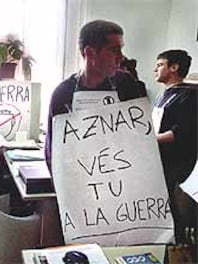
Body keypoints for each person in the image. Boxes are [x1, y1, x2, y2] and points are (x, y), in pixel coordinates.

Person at [44, 20, 146, 172]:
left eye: (121, 50)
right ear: (90, 53)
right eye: (113, 50)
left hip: (123, 176)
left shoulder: (127, 84)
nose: (121, 57)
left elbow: (141, 135)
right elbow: (54, 152)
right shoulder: (63, 93)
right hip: (81, 178)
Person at [153, 49, 197, 244]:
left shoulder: (189, 96)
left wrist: (149, 140)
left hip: (177, 167)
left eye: (160, 64)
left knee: (174, 214)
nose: (156, 68)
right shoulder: (165, 95)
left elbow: (181, 133)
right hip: (160, 163)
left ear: (174, 67)